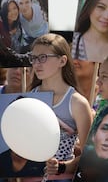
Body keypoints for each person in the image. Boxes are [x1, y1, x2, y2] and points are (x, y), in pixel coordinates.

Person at [27, 33, 93, 180]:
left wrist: (62, 166)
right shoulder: (29, 97)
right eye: (33, 58)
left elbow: (89, 158)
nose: (37, 63)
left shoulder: (77, 103)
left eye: (43, 57)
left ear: (62, 61)